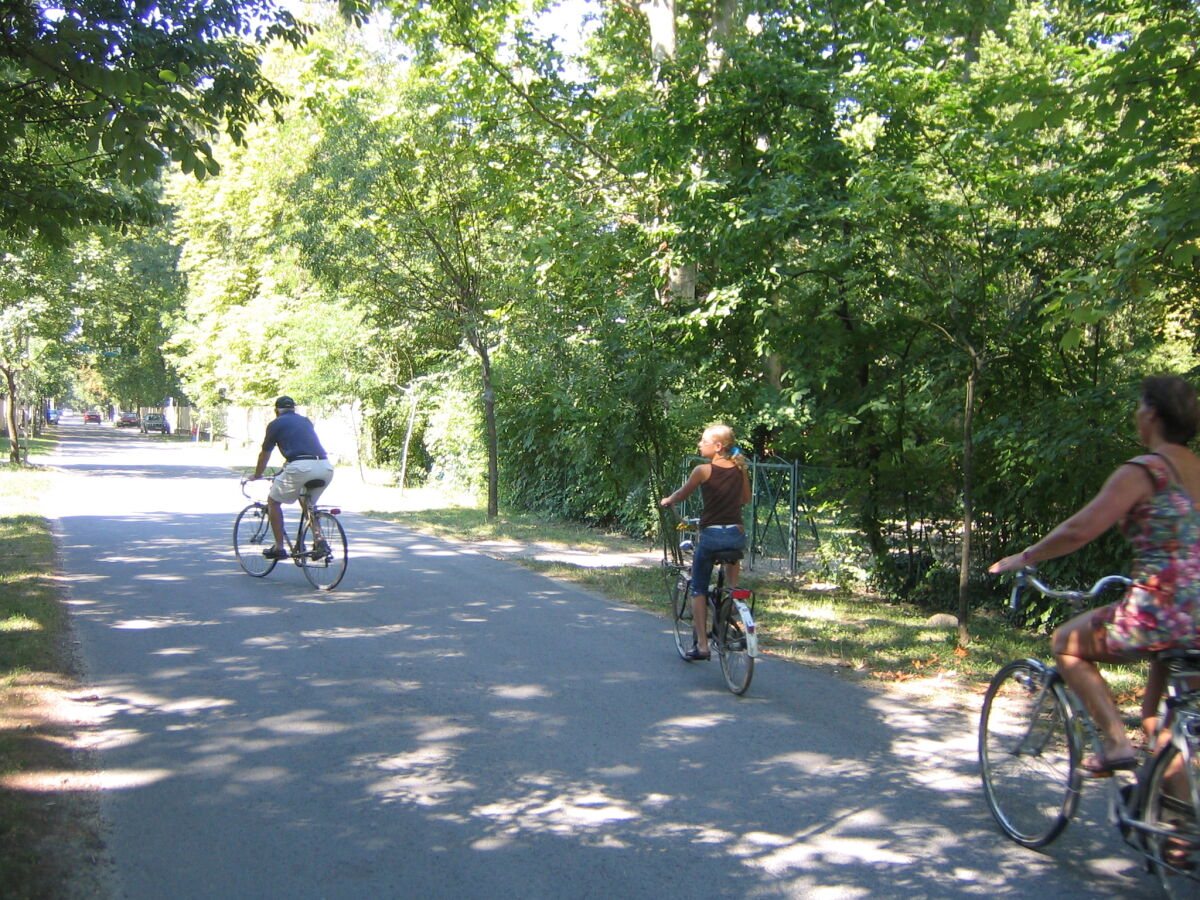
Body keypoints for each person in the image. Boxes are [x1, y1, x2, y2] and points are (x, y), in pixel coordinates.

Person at [989, 375, 1200, 775]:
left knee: (1066, 642)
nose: (1137, 415)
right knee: (1161, 721)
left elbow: (1078, 530)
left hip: (1161, 611)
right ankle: (1175, 830)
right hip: (1197, 618)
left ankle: (1117, 744)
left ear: (1152, 414)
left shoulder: (1147, 471)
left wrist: (1026, 556)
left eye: (1139, 407)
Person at [660, 424, 752, 660]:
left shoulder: (703, 470)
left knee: (699, 589)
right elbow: (745, 499)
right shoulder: (739, 469)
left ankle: (702, 645)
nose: (700, 444)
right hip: (736, 534)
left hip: (711, 535)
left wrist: (668, 500)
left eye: (703, 440)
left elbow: (682, 493)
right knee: (733, 552)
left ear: (718, 446)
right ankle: (732, 596)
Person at [251, 396, 335, 560]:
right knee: (307, 504)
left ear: (276, 411)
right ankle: (320, 540)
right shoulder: (305, 421)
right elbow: (302, 450)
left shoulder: (275, 424)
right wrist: (284, 470)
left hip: (300, 468)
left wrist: (258, 474)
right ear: (294, 409)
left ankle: (279, 547)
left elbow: (265, 453)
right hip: (325, 466)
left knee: (273, 502)